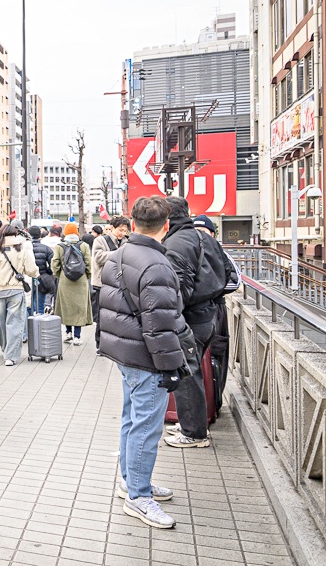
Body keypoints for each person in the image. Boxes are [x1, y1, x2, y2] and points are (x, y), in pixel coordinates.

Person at [98, 195, 191, 530]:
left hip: (125, 351)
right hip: (148, 356)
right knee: (146, 427)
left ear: (132, 222)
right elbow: (160, 322)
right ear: (166, 225)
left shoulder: (118, 254)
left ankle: (131, 481)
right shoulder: (157, 263)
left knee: (131, 420)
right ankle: (138, 495)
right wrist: (171, 366)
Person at [162, 197, 227, 448]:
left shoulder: (176, 242)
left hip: (191, 318)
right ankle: (192, 424)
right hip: (210, 314)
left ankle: (194, 433)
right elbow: (229, 274)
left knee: (185, 373)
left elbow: (178, 290)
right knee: (192, 371)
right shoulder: (205, 238)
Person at [193, 214, 238, 415]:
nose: (200, 236)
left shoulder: (221, 254)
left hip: (216, 311)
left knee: (216, 353)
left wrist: (207, 291)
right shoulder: (187, 252)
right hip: (194, 313)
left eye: (204, 232)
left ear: (212, 234)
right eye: (196, 232)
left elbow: (235, 281)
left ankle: (213, 404)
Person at [0, 224, 38, 366]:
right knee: (15, 323)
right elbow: (31, 270)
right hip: (16, 290)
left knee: (0, 324)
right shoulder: (21, 249)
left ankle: (6, 350)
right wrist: (35, 273)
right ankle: (10, 356)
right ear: (16, 234)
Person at [91, 216, 131, 350]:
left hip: (121, 284)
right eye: (120, 230)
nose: (122, 233)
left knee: (118, 315)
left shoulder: (126, 242)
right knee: (102, 315)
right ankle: (100, 343)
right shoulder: (100, 240)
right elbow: (99, 257)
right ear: (112, 227)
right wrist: (120, 253)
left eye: (125, 231)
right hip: (102, 284)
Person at [51, 222, 93, 344]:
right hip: (81, 279)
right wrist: (87, 276)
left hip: (65, 279)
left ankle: (68, 333)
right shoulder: (84, 245)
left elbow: (55, 264)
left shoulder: (59, 246)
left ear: (65, 233)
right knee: (79, 307)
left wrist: (59, 275)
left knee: (66, 306)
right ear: (76, 232)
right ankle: (77, 337)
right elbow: (88, 263)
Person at [29, 225, 53, 315]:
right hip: (42, 278)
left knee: (28, 304)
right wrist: (48, 272)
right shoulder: (46, 248)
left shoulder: (24, 248)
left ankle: (29, 322)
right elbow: (53, 263)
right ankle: (39, 321)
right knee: (40, 305)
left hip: (28, 278)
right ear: (39, 235)